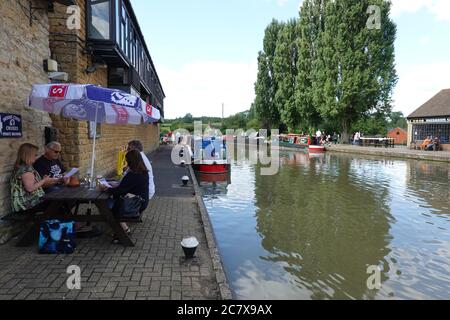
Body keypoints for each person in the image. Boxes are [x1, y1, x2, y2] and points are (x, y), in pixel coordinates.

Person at [103, 150, 149, 243]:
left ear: (131, 161)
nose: (126, 163)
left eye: (127, 161)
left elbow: (120, 192)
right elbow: (127, 187)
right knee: (112, 203)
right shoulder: (143, 171)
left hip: (135, 204)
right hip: (142, 202)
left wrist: (106, 189)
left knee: (108, 208)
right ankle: (124, 229)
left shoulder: (133, 174)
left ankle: (122, 232)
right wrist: (116, 185)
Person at [10, 143, 57, 213]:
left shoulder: (23, 167)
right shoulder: (25, 170)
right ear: (28, 155)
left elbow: (30, 184)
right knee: (57, 201)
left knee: (56, 198)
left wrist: (41, 180)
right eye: (35, 155)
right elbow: (30, 188)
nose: (36, 157)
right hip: (27, 205)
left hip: (30, 202)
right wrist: (44, 180)